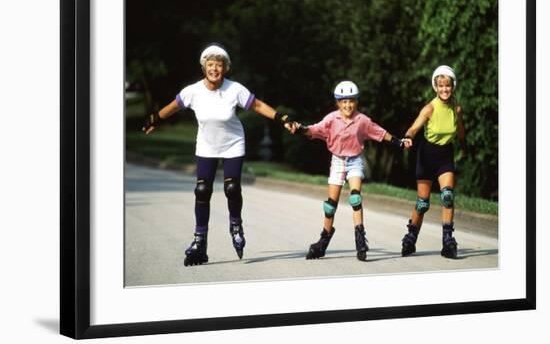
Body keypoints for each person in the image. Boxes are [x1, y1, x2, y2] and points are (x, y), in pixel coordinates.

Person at [142, 44, 293, 266]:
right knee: (202, 191)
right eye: (210, 65)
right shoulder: (192, 91)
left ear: (225, 68)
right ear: (204, 67)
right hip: (206, 145)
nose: (215, 69)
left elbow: (258, 105)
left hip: (233, 144)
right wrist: (155, 118)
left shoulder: (235, 89)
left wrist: (282, 118)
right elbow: (173, 107)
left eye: (219, 65)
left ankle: (236, 226)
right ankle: (199, 241)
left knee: (232, 188)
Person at [294, 81, 408, 261]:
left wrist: (398, 141)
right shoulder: (331, 119)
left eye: (351, 101)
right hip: (338, 161)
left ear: (356, 102)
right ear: (338, 103)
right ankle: (323, 241)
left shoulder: (362, 120)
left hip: (355, 160)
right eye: (344, 101)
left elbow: (379, 132)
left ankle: (360, 239)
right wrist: (300, 129)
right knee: (330, 205)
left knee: (355, 198)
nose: (348, 105)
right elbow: (314, 130)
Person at [399, 65, 466, 259]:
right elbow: (413, 128)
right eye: (441, 86)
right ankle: (410, 238)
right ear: (435, 87)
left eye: (448, 86)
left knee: (447, 196)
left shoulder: (457, 108)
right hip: (427, 155)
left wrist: (464, 146)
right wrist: (408, 137)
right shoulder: (429, 108)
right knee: (422, 204)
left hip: (446, 154)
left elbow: (460, 130)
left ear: (453, 86)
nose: (444, 90)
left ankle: (447, 241)